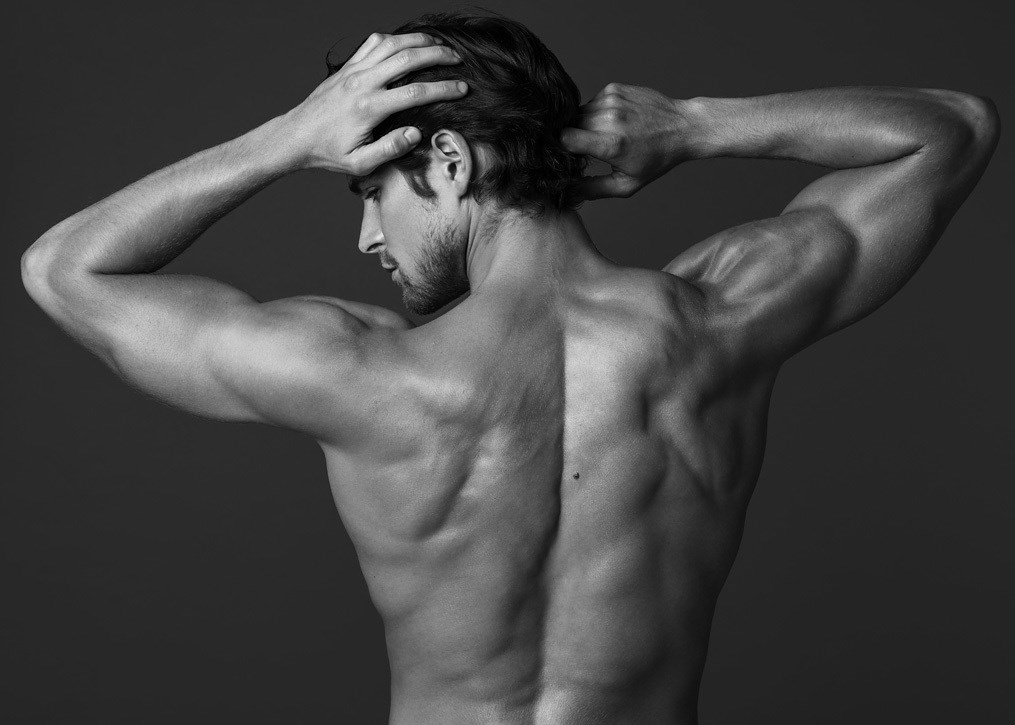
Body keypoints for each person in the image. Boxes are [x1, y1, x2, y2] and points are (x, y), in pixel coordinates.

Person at [20, 10, 999, 724]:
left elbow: (64, 271)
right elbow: (951, 130)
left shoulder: (360, 370)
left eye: (372, 192)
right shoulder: (719, 323)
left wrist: (287, 140)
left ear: (449, 164)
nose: (368, 235)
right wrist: (696, 125)